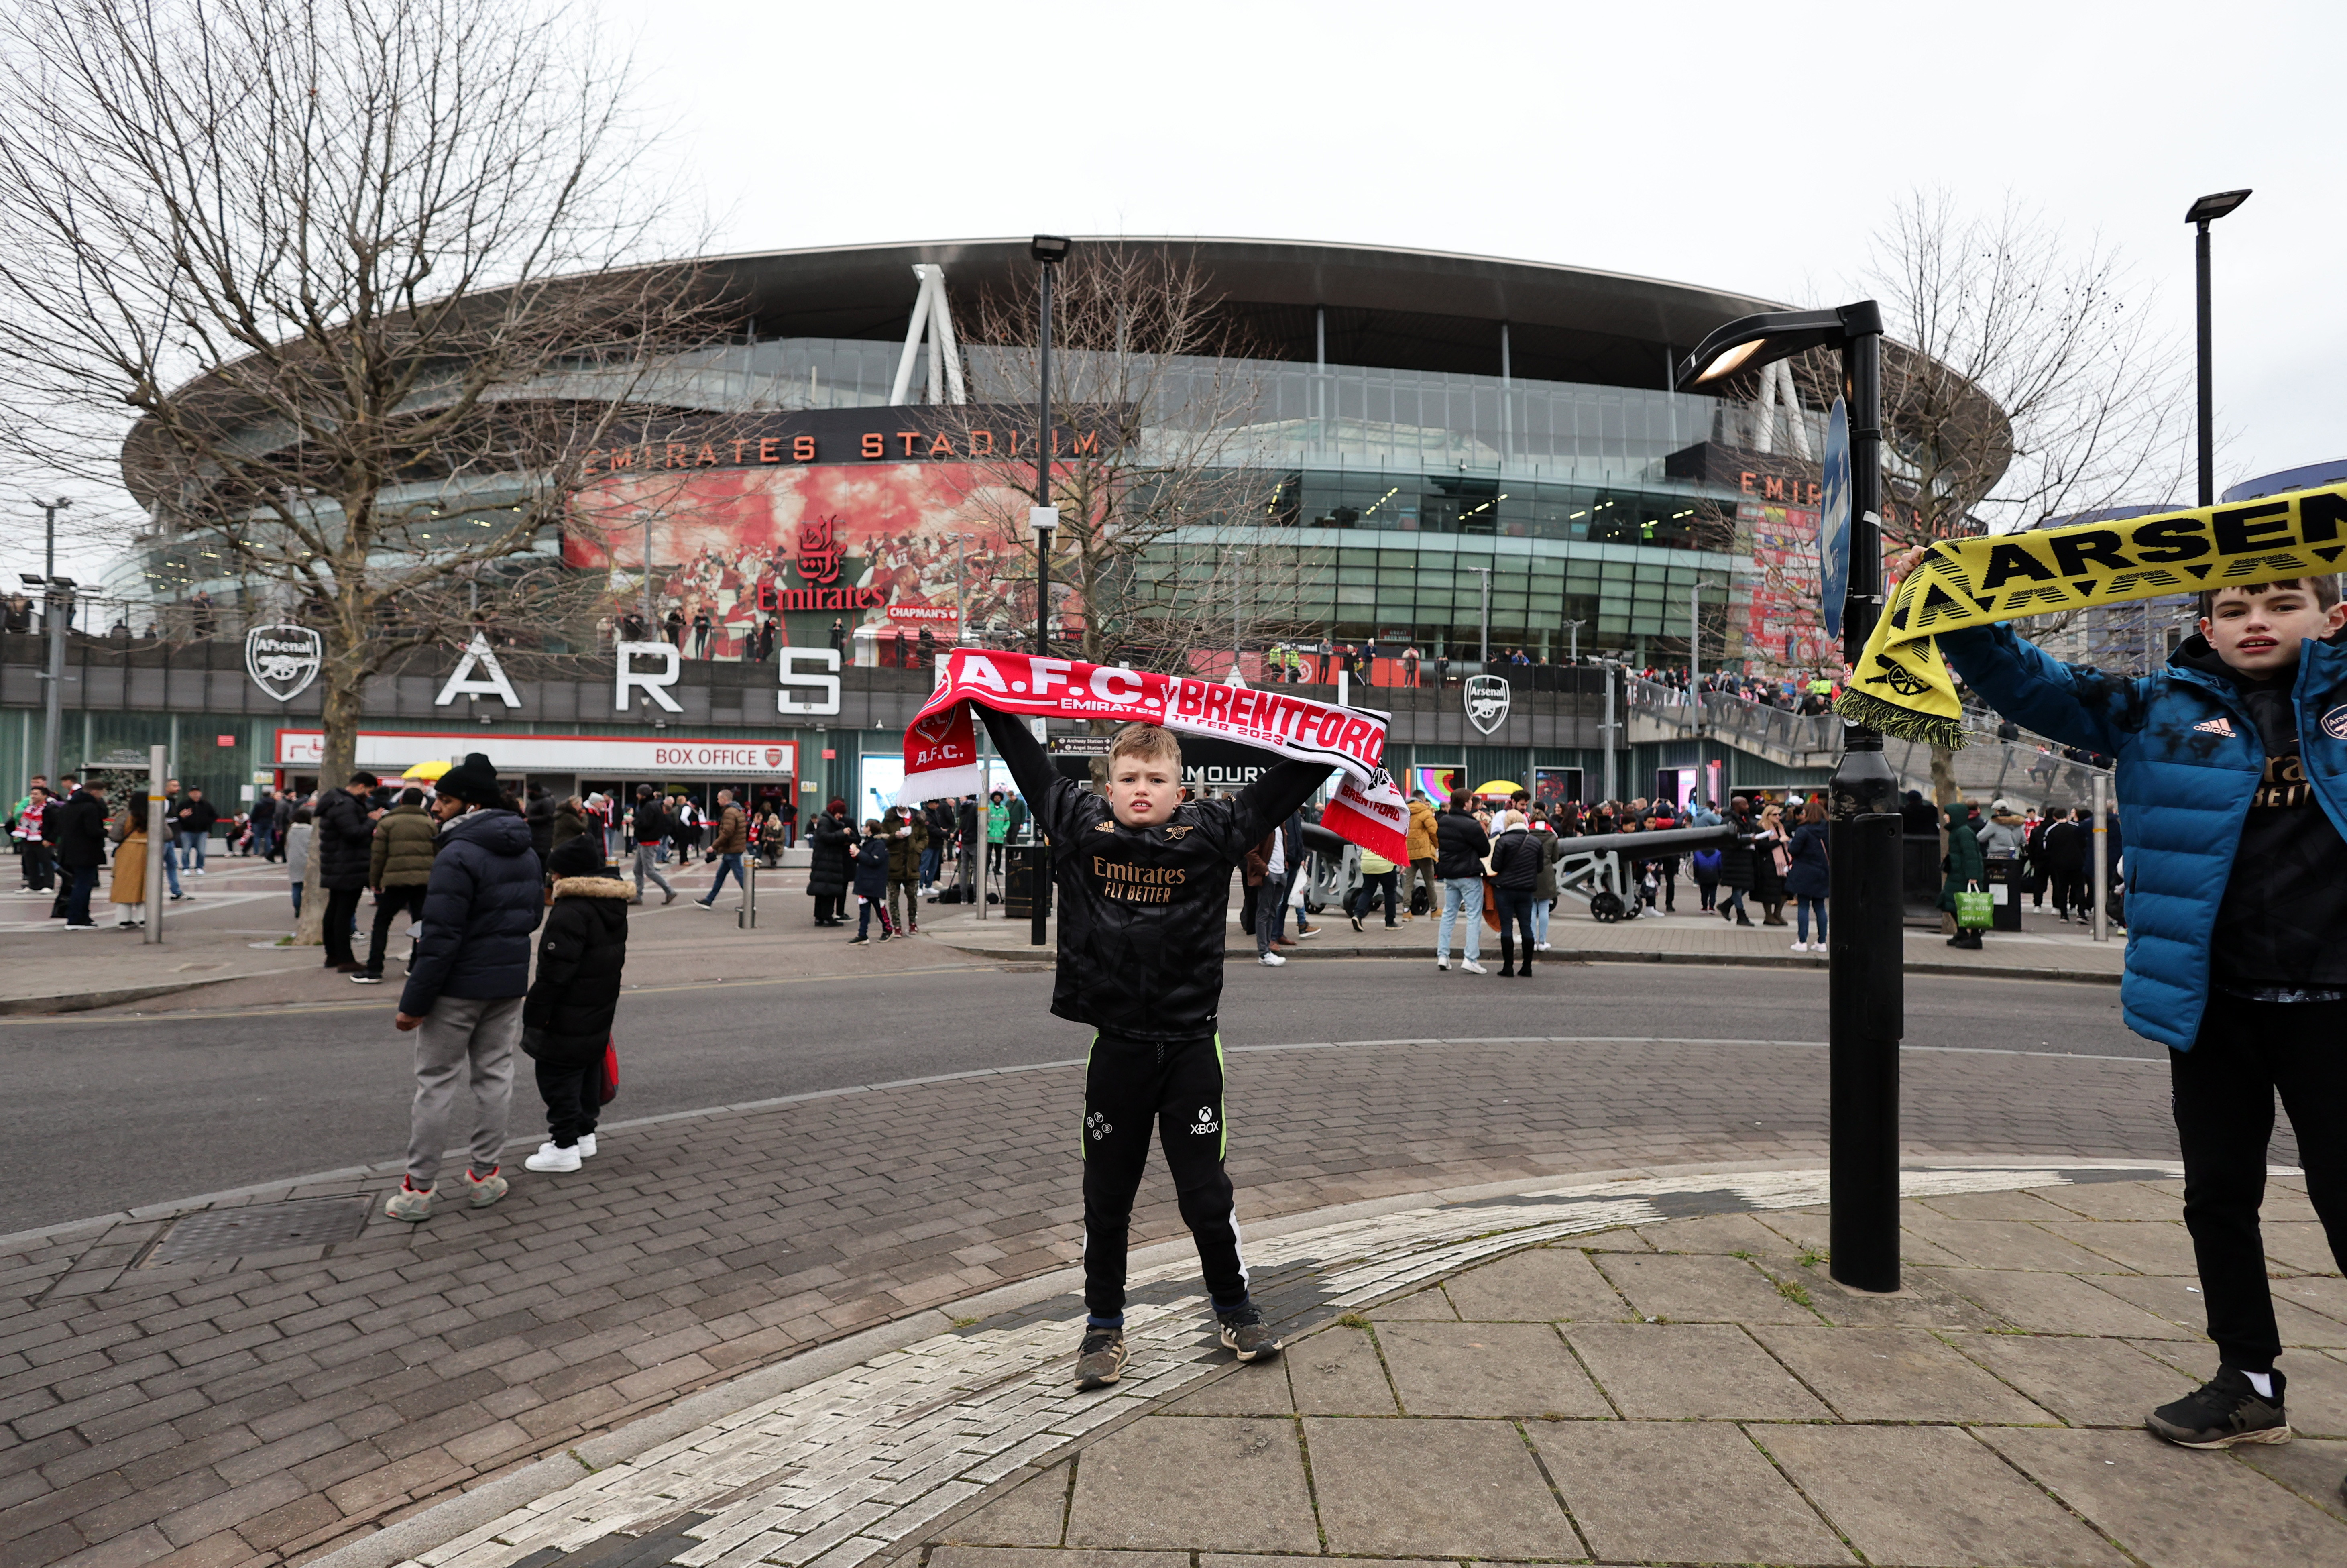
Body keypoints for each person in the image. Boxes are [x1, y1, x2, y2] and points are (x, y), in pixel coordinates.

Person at [1927, 572, 2347, 1457]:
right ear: (2205, 624)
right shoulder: (2154, 707)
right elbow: (2032, 683)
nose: (2255, 623)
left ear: (2332, 615)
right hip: (2212, 1006)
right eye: (2234, 609)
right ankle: (2249, 1381)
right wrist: (1959, 614)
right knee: (2216, 1199)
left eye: (2280, 604)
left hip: (2336, 1006)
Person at [972, 708, 1326, 1389]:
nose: (1141, 787)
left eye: (1155, 778)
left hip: (1191, 1049)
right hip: (1118, 1052)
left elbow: (1289, 782)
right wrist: (991, 702)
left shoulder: (1213, 832)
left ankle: (1233, 1308)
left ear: (1178, 790)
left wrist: (1338, 740)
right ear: (1107, 787)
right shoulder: (1080, 826)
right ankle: (1103, 1326)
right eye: (1128, 777)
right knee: (1106, 1197)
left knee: (1205, 1195)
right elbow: (1028, 763)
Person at [385, 753, 542, 1222]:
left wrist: (413, 1004)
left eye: (445, 800)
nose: (435, 808)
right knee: (495, 1076)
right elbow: (531, 917)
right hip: (508, 981)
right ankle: (484, 1178)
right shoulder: (527, 849)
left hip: (456, 986)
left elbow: (440, 937)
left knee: (435, 1083)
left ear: (471, 806)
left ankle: (418, 1191)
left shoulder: (456, 853)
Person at [521, 834, 630, 1174]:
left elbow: (555, 973)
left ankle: (564, 1146)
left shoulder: (571, 910)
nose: (551, 879)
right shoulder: (609, 905)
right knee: (585, 1067)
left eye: (555, 873)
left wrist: (536, 1014)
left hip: (568, 1008)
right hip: (597, 1004)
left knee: (557, 1073)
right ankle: (584, 1135)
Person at [352, 787, 437, 985]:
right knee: (420, 924)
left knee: (382, 922)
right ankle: (416, 966)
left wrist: (375, 882)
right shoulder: (429, 823)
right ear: (422, 803)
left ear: (401, 802)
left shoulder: (388, 822)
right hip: (423, 881)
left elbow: (378, 856)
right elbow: (437, 852)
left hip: (396, 881)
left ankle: (374, 969)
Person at [316, 771, 383, 972]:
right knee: (343, 914)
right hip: (348, 867)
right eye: (369, 792)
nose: (370, 797)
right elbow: (354, 834)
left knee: (335, 911)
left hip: (338, 866)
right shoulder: (346, 805)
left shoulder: (336, 802)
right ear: (362, 786)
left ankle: (333, 955)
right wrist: (372, 820)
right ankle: (345, 959)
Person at [1433, 790, 1490, 974]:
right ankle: (1470, 958)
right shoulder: (1472, 825)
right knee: (1473, 916)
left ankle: (1443, 955)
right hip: (1468, 873)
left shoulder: (1443, 821)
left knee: (1449, 913)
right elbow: (1485, 851)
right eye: (1472, 800)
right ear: (1467, 803)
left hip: (1449, 873)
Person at [49, 776, 108, 930]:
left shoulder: (69, 806)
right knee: (83, 885)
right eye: (101, 793)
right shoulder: (90, 807)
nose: (102, 796)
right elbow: (93, 831)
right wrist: (105, 831)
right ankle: (76, 919)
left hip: (68, 851)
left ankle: (81, 917)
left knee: (77, 884)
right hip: (86, 852)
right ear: (95, 792)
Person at [1487, 808, 1541, 977]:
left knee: (1507, 927)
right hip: (1526, 891)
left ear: (1508, 823)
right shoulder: (1535, 842)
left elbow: (1495, 866)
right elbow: (1539, 868)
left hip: (1505, 890)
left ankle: (1508, 967)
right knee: (1527, 927)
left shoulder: (1503, 842)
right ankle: (1527, 967)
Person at [1785, 797, 1830, 952]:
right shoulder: (1829, 829)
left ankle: (1802, 942)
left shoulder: (1803, 830)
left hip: (1804, 871)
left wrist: (1791, 843)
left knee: (1803, 906)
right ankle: (1822, 942)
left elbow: (1794, 851)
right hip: (1823, 872)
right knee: (1820, 907)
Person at [696, 788, 748, 908]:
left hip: (732, 849)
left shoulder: (729, 812)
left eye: (719, 799)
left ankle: (750, 902)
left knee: (740, 877)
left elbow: (727, 832)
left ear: (725, 800)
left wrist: (714, 846)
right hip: (733, 849)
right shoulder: (738, 810)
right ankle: (709, 900)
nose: (718, 801)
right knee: (721, 875)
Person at [626, 786, 678, 906]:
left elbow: (645, 823)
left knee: (649, 870)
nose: (637, 796)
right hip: (647, 840)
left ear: (643, 795)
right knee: (637, 870)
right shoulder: (655, 805)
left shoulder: (649, 807)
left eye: (639, 794)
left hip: (648, 841)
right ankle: (638, 896)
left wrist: (633, 821)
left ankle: (669, 890)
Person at [806, 799, 853, 925]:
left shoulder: (830, 822)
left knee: (824, 891)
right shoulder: (826, 822)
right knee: (827, 891)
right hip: (827, 862)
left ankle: (821, 917)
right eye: (840, 813)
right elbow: (825, 837)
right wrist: (841, 833)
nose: (841, 816)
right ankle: (826, 917)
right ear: (834, 811)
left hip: (826, 862)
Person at [847, 818, 893, 943]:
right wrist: (856, 854)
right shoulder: (868, 842)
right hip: (865, 880)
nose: (863, 828)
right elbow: (865, 859)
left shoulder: (879, 844)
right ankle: (863, 934)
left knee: (880, 907)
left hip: (874, 882)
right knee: (864, 909)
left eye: (865, 826)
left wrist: (859, 854)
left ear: (869, 828)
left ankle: (888, 929)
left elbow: (874, 861)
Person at [883, 804, 925, 935]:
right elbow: (882, 837)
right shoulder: (889, 819)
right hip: (894, 864)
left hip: (912, 864)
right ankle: (897, 926)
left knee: (912, 897)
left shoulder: (917, 819)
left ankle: (913, 923)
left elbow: (925, 838)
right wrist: (894, 836)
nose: (901, 805)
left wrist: (917, 850)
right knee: (893, 899)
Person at [108, 808, 149, 929]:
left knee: (125, 884)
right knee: (146, 886)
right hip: (149, 852)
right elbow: (168, 835)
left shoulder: (124, 816)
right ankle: (145, 919)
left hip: (127, 852)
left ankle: (124, 919)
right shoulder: (155, 816)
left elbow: (115, 836)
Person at [1404, 790, 1439, 921]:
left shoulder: (1405, 812)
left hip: (1409, 851)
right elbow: (1434, 831)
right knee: (1429, 881)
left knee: (1409, 882)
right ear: (1422, 800)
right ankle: (1434, 910)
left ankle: (1406, 912)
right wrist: (1437, 846)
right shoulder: (1426, 812)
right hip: (1424, 853)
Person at [1348, 843, 1399, 930]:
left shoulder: (1368, 829)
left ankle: (1358, 915)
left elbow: (1359, 844)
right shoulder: (1391, 829)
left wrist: (1362, 856)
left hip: (1368, 863)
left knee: (1368, 891)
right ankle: (1390, 922)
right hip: (1385, 863)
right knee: (1390, 893)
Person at [173, 787, 218, 874]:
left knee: (201, 851)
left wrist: (207, 825)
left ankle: (200, 867)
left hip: (202, 832)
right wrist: (182, 817)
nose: (196, 795)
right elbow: (177, 817)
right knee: (186, 851)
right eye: (193, 793)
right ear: (190, 794)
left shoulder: (206, 805)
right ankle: (186, 868)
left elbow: (214, 816)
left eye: (197, 792)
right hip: (187, 831)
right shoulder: (184, 805)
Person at [283, 807, 313, 918]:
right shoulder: (311, 830)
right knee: (310, 886)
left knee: (296, 886)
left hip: (294, 861)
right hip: (308, 860)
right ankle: (308, 907)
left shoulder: (291, 830)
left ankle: (297, 909)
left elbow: (288, 846)